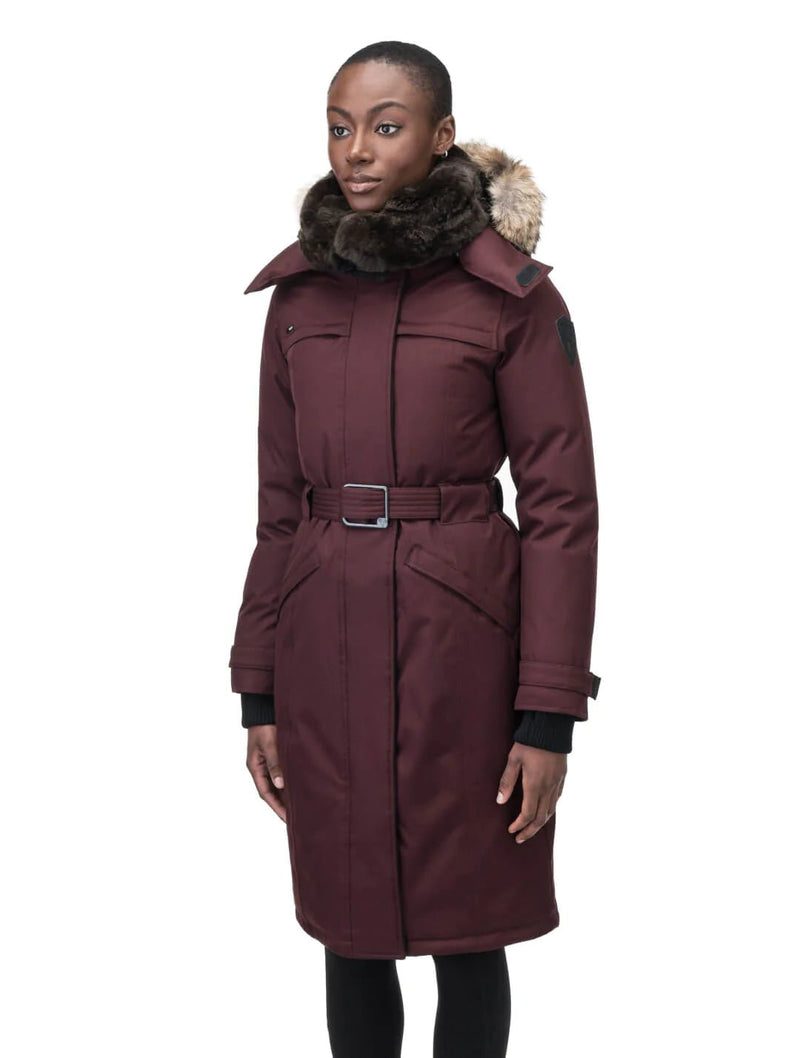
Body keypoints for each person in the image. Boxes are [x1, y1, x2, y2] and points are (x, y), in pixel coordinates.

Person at [229, 40, 601, 1058]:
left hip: (462, 651)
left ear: (440, 138)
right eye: (338, 127)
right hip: (321, 643)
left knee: (467, 929)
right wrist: (258, 687)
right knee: (347, 933)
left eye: (385, 127)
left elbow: (562, 507)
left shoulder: (511, 298)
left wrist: (549, 712)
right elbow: (278, 507)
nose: (356, 150)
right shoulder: (300, 299)